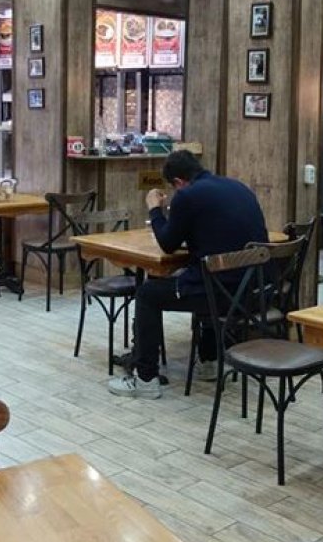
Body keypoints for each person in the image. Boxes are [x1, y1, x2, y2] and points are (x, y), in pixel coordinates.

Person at [108, 150, 268, 398]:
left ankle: (146, 379)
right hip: (254, 293)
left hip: (219, 295)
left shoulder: (187, 195)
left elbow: (168, 244)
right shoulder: (238, 187)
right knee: (208, 276)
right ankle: (209, 361)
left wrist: (155, 209)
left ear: (179, 182)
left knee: (148, 294)